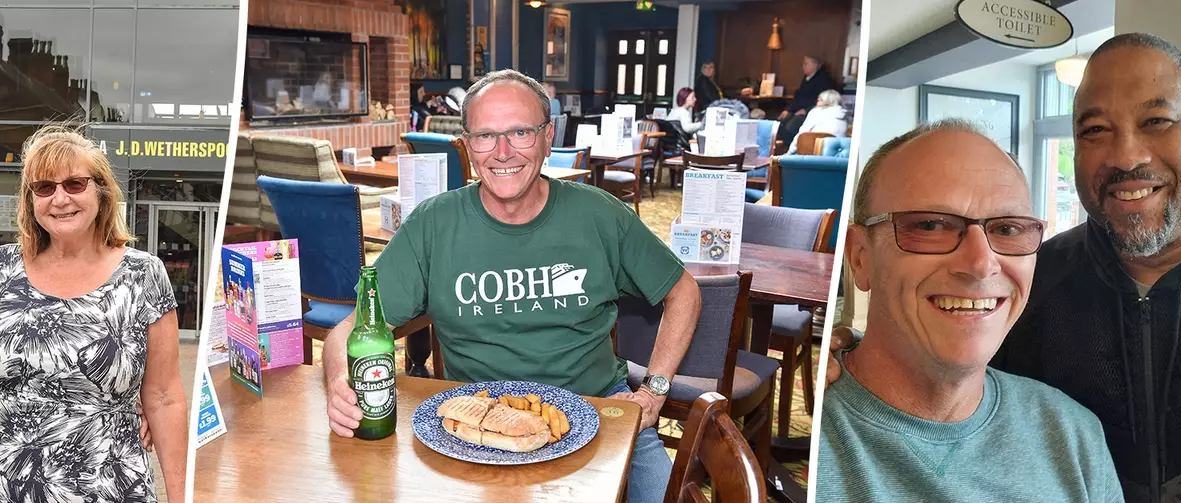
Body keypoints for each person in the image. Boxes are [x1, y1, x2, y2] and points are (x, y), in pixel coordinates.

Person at [321, 69, 702, 503]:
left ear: (548, 136)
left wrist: (654, 391)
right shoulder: (433, 224)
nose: (502, 152)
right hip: (474, 426)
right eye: (484, 136)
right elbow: (353, 326)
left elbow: (683, 291)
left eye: (520, 132)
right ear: (466, 145)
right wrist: (338, 383)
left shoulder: (600, 214)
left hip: (600, 408)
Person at [987, 33, 1181, 501]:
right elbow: (956, 394)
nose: (1126, 156)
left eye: (1156, 120)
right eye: (1095, 131)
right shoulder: (1031, 281)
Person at [817, 118, 1122, 501]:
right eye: (930, 225)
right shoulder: (820, 438)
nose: (981, 263)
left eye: (1008, 230)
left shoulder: (1073, 436)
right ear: (860, 258)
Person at [0, 125, 188, 502]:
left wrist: (182, 495)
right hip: (6, 488)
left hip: (110, 488)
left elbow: (165, 397)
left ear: (102, 193)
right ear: (30, 200)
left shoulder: (143, 274)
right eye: (44, 187)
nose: (60, 199)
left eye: (74, 184)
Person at [776, 56, 836, 146]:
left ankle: (793, 151)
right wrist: (787, 110)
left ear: (815, 65)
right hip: (796, 110)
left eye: (806, 63)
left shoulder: (824, 79)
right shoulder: (806, 78)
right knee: (780, 123)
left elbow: (823, 101)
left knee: (791, 126)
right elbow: (799, 97)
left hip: (811, 111)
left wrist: (806, 110)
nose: (803, 66)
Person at [785, 89, 849, 154]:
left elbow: (801, 133)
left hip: (810, 154)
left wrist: (789, 153)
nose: (817, 101)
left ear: (827, 101)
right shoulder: (844, 115)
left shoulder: (815, 112)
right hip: (834, 155)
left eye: (820, 99)